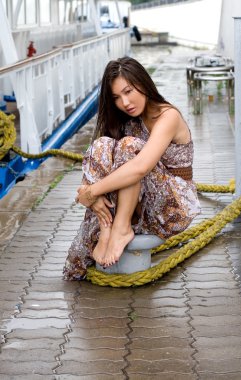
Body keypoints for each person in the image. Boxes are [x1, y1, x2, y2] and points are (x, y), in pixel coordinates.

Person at [63, 56, 201, 280]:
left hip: (172, 205)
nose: (125, 103)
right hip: (140, 202)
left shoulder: (168, 116)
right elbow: (103, 161)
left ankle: (121, 228)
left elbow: (140, 168)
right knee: (101, 144)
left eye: (128, 91)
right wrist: (90, 194)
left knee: (129, 147)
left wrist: (91, 191)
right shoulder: (129, 120)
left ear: (143, 83)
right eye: (117, 97)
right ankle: (107, 227)